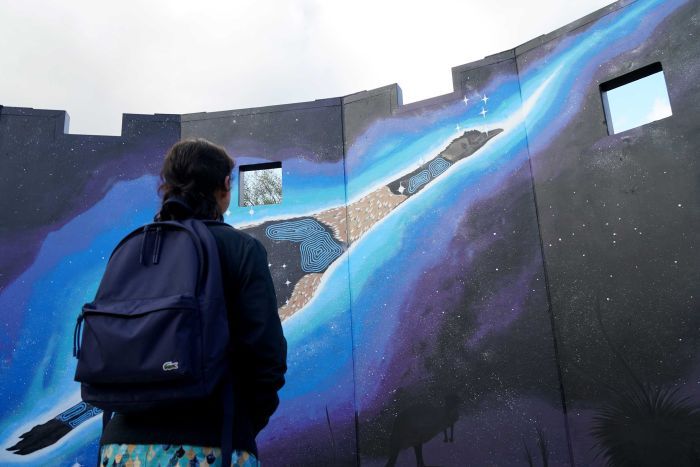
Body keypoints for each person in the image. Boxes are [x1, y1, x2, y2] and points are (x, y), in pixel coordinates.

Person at [98, 138, 287, 466]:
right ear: (225, 186)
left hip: (120, 448)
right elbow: (267, 359)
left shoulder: (135, 248)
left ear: (166, 186)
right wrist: (241, 425)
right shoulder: (241, 249)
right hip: (210, 444)